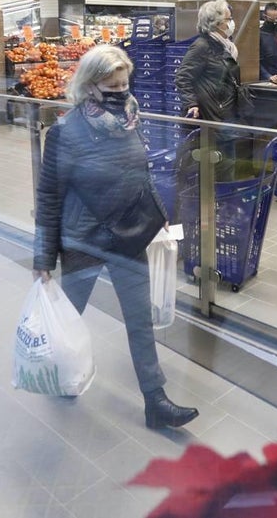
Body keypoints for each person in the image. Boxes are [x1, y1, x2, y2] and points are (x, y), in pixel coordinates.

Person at [32, 45, 198, 430]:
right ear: (90, 86)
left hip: (127, 236)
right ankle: (60, 372)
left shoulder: (130, 117)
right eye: (112, 85)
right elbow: (49, 196)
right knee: (68, 319)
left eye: (125, 83)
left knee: (140, 320)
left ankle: (155, 402)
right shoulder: (66, 132)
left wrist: (156, 216)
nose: (122, 91)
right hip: (84, 242)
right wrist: (43, 258)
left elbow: (139, 172)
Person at [174, 0, 252, 182]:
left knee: (227, 162)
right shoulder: (202, 46)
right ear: (215, 23)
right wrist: (191, 103)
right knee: (220, 164)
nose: (231, 23)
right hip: (212, 115)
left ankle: (223, 202)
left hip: (226, 113)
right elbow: (182, 77)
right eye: (228, 19)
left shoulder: (225, 46)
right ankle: (217, 204)